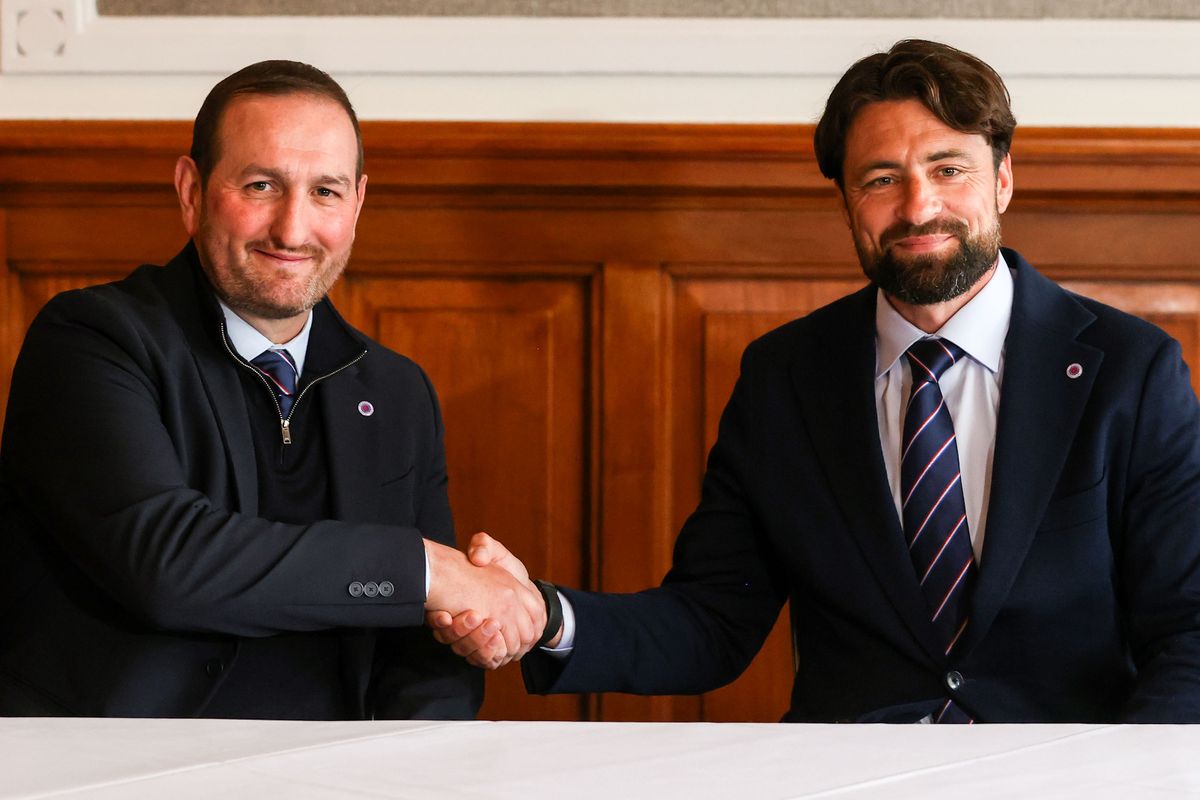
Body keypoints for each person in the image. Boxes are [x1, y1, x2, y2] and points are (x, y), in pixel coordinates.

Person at [431, 39, 1200, 723]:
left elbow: (1189, 633)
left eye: (948, 168)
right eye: (880, 179)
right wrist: (545, 615)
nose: (918, 205)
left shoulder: (1132, 371)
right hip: (851, 781)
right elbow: (711, 623)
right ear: (845, 203)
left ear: (1002, 180)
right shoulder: (784, 379)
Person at [0, 60, 544, 719]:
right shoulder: (91, 341)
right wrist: (428, 571)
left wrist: (413, 768)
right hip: (121, 768)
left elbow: (422, 657)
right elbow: (169, 567)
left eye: (325, 192)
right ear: (191, 191)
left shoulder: (398, 392)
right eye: (261, 186)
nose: (292, 229)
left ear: (358, 204)